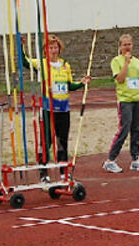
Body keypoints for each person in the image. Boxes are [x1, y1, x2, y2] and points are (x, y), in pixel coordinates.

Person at [22, 34, 90, 181]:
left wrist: (82, 83)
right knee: (46, 142)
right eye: (50, 47)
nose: (53, 50)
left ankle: (63, 173)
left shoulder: (65, 65)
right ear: (46, 50)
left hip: (63, 110)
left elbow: (69, 86)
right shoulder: (42, 64)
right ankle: (43, 174)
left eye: (56, 47)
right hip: (48, 110)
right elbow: (25, 63)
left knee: (62, 142)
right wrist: (21, 47)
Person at [104, 34, 139, 173]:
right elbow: (120, 79)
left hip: (138, 99)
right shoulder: (116, 61)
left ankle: (135, 160)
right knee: (124, 129)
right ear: (120, 47)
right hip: (125, 101)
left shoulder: (137, 61)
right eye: (125, 44)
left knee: (137, 130)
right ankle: (110, 160)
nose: (127, 47)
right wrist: (126, 63)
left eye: (129, 44)